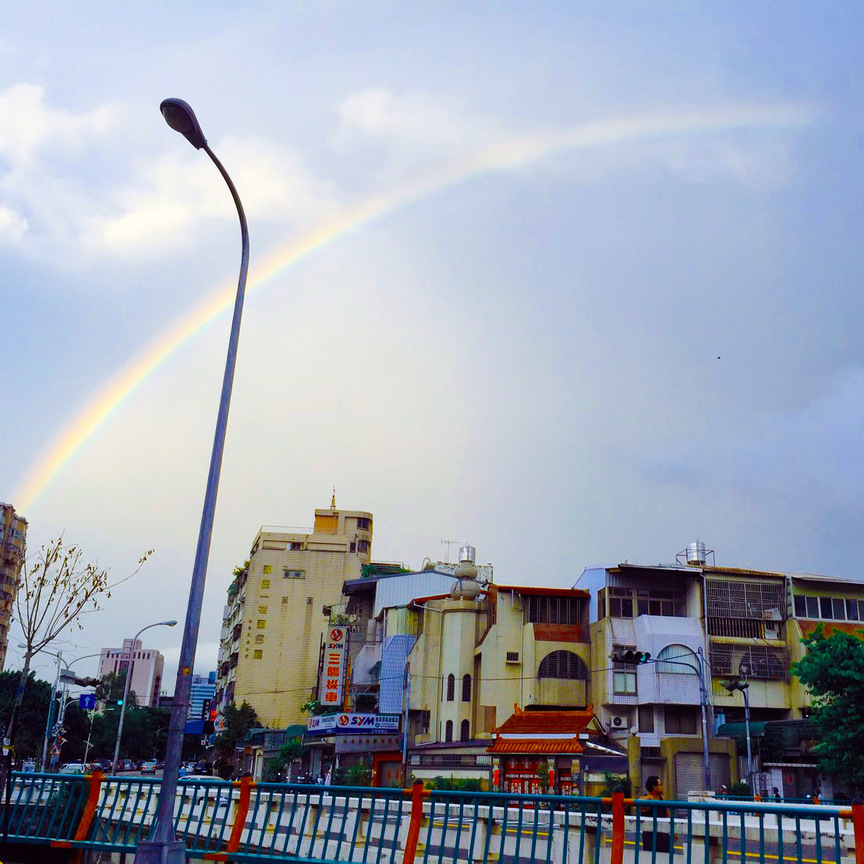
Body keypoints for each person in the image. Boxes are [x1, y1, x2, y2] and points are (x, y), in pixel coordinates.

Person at [641, 776, 671, 854]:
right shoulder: (646, 799)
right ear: (654, 787)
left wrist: (673, 830)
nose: (662, 787)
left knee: (666, 855)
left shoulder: (661, 797)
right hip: (650, 834)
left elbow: (666, 813)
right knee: (650, 856)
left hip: (663, 833)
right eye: (660, 785)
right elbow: (639, 803)